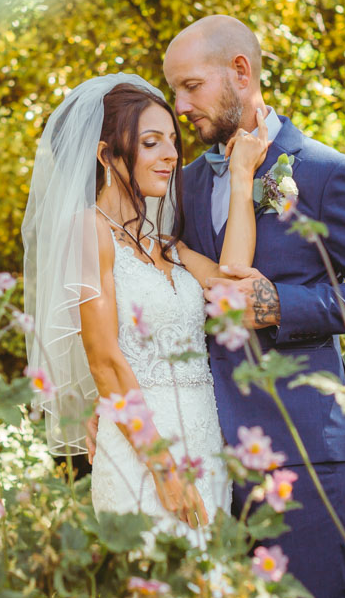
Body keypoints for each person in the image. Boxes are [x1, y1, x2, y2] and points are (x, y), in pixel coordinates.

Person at [164, 15, 345, 598]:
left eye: (190, 87)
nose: (180, 106)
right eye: (174, 92)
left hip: (304, 443)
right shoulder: (184, 184)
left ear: (240, 73)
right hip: (210, 450)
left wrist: (281, 304)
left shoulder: (327, 171)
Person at [21, 74, 267, 537]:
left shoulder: (168, 248)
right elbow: (106, 363)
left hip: (204, 446)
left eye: (173, 141)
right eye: (151, 143)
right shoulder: (86, 231)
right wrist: (163, 469)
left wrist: (241, 178)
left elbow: (233, 281)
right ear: (107, 156)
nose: (172, 155)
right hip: (145, 456)